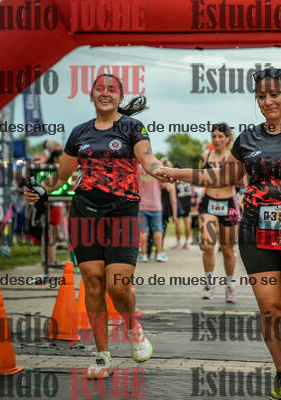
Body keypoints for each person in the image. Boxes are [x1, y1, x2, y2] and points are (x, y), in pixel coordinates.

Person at [160, 67, 281, 399]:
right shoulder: (247, 139)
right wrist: (177, 173)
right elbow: (221, 178)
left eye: (274, 95)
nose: (268, 101)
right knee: (270, 310)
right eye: (261, 96)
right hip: (257, 233)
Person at [25, 74, 168, 378]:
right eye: (99, 89)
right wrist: (41, 188)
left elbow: (148, 160)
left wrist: (163, 171)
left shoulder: (132, 127)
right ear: (91, 95)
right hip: (84, 212)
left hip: (123, 212)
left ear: (120, 96)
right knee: (92, 281)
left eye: (111, 90)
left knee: (118, 285)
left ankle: (133, 327)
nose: (105, 93)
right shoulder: (79, 132)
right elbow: (62, 176)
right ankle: (102, 355)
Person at [198, 123, 241, 302]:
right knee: (208, 246)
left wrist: (234, 176)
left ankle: (230, 286)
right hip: (208, 203)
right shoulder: (205, 156)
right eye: (214, 136)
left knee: (227, 250)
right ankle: (209, 284)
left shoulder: (234, 157)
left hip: (228, 204)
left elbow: (243, 183)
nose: (216, 140)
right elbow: (200, 179)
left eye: (220, 136)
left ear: (227, 138)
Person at [138, 165, 169, 262]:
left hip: (142, 204)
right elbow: (163, 186)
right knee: (158, 230)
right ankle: (159, 254)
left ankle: (143, 255)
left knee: (142, 231)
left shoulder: (138, 167)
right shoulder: (157, 166)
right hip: (155, 204)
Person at [173, 165, 193, 249]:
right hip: (187, 202)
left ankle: (178, 243)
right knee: (187, 222)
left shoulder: (176, 179)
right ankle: (187, 242)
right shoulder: (186, 178)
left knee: (178, 223)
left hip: (179, 202)